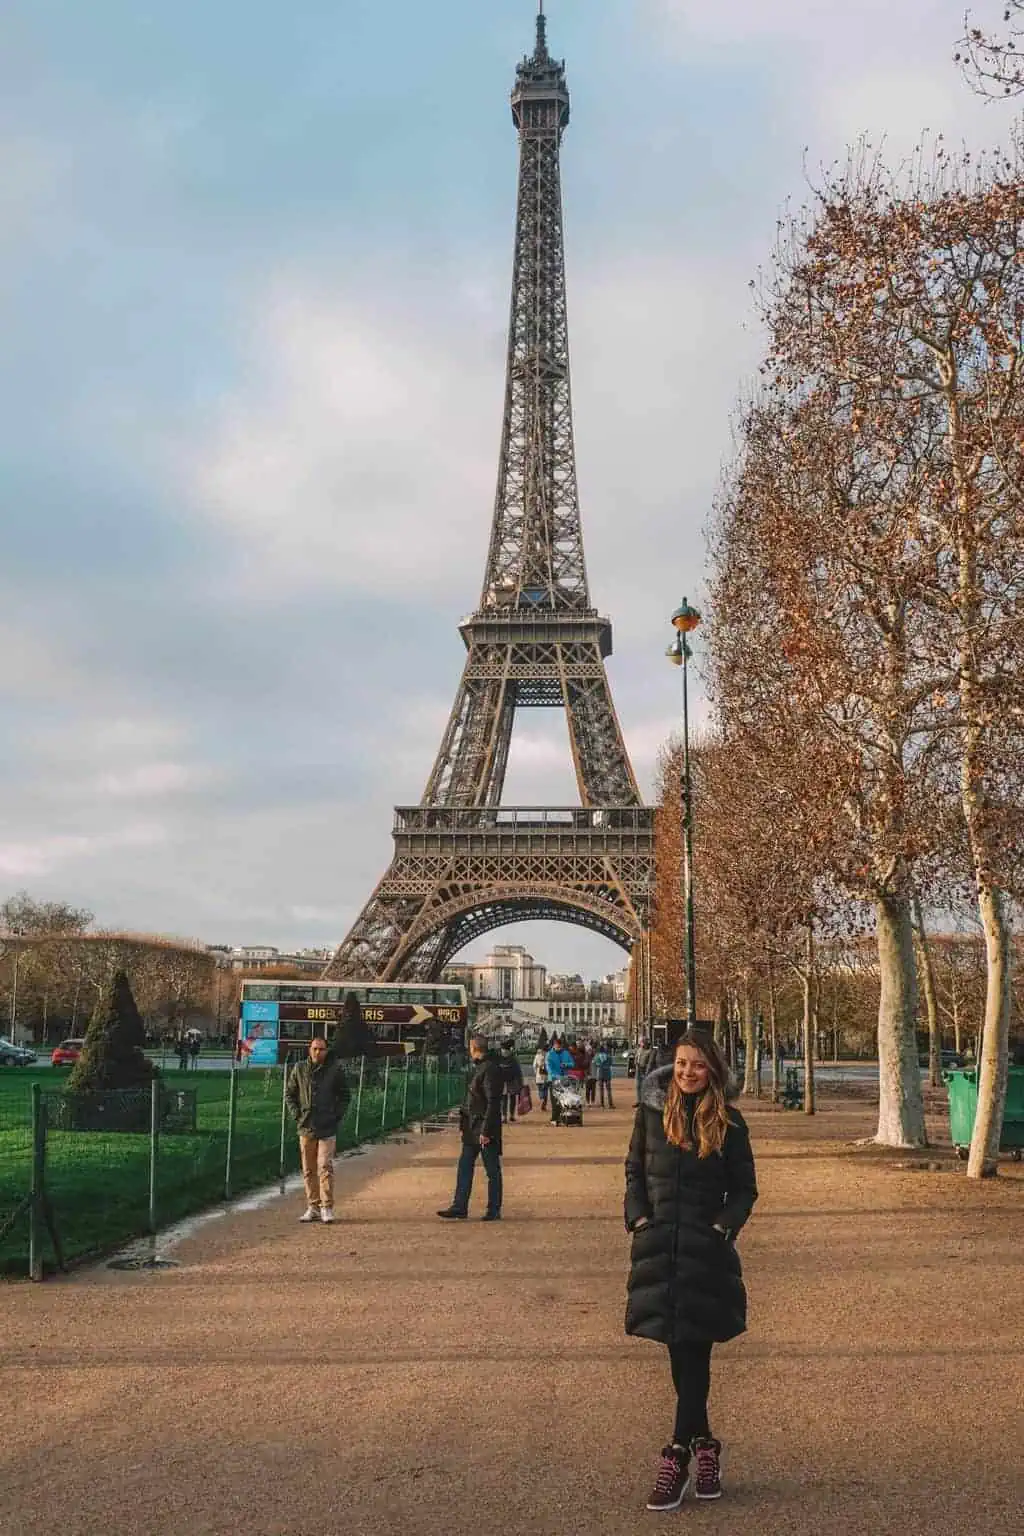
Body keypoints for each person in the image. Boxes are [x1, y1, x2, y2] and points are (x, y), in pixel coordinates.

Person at [624, 1030, 758, 1513]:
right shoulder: (650, 1117)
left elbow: (745, 1189)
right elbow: (634, 1172)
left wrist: (723, 1228)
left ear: (713, 1071)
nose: (688, 1073)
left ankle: (678, 1452)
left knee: (695, 1349)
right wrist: (637, 1218)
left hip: (705, 1250)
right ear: (670, 1067)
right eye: (681, 1064)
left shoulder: (731, 1124)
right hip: (658, 1246)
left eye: (698, 1065)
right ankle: (706, 1447)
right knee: (679, 1350)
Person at [286, 1037, 352, 1225]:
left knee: (324, 1166)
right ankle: (312, 1206)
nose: (317, 1053)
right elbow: (290, 1093)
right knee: (308, 1169)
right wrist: (297, 1115)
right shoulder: (299, 1069)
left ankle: (327, 1207)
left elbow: (345, 1095)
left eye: (321, 1049)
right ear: (309, 1049)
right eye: (315, 1049)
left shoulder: (334, 1070)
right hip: (306, 1125)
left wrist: (336, 1115)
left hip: (327, 1126)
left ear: (326, 1050)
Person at [438, 1034, 504, 1221]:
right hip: (471, 1126)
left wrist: (486, 1130)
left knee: (492, 1170)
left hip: (483, 1127)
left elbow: (493, 1102)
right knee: (465, 1165)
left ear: (475, 1049)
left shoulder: (489, 1069)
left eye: (470, 1048)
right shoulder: (482, 1068)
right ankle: (459, 1206)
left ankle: (493, 1209)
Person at [546, 1035, 574, 1125]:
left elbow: (572, 1063)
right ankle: (554, 1118)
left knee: (564, 1099)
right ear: (554, 1046)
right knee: (555, 1100)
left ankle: (562, 1117)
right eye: (557, 1046)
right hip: (554, 1080)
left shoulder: (566, 1053)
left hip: (565, 1079)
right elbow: (549, 1068)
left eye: (560, 1046)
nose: (558, 1048)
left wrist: (566, 1065)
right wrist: (557, 1076)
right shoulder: (549, 1055)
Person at [498, 1040, 524, 1125]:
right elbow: (518, 1071)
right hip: (508, 1080)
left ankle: (506, 1116)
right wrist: (520, 1082)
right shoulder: (512, 1057)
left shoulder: (500, 1057)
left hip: (507, 1080)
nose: (504, 1052)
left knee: (505, 1098)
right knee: (508, 1098)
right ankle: (508, 1116)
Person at [594, 1042, 615, 1108]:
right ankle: (610, 1104)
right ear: (604, 1050)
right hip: (607, 1073)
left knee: (601, 1090)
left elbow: (595, 1064)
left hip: (600, 1073)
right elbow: (611, 1063)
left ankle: (602, 1104)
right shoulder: (608, 1056)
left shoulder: (597, 1057)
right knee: (608, 1089)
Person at [533, 1042, 550, 1111]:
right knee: (545, 1089)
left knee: (540, 1089)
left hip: (539, 1075)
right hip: (546, 1075)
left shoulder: (537, 1056)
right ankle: (544, 1103)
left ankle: (542, 1098)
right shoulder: (549, 1056)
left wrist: (535, 1072)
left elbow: (534, 1065)